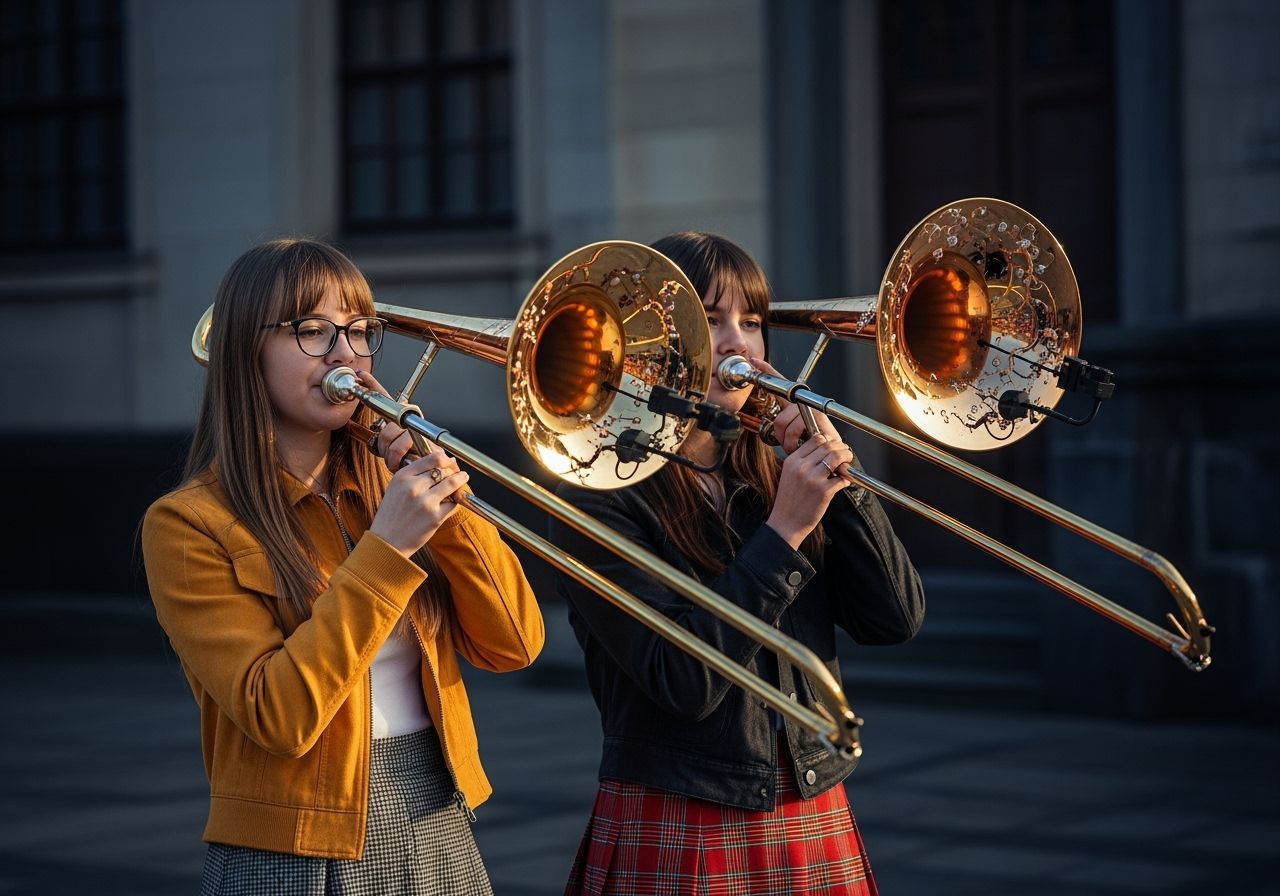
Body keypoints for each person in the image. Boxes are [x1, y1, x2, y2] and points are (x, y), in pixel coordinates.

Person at [141, 238, 544, 895]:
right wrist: (386, 552)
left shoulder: (389, 490)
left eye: (360, 332)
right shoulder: (188, 525)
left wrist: (444, 501)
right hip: (290, 848)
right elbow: (280, 715)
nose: (345, 354)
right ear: (248, 352)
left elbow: (516, 644)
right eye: (311, 331)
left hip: (437, 813)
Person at [551, 232, 925, 896]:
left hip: (810, 808)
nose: (738, 343)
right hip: (678, 816)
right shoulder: (597, 494)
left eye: (751, 321)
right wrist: (784, 531)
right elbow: (683, 683)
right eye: (710, 317)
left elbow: (894, 618)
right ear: (647, 338)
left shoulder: (768, 471)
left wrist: (844, 488)